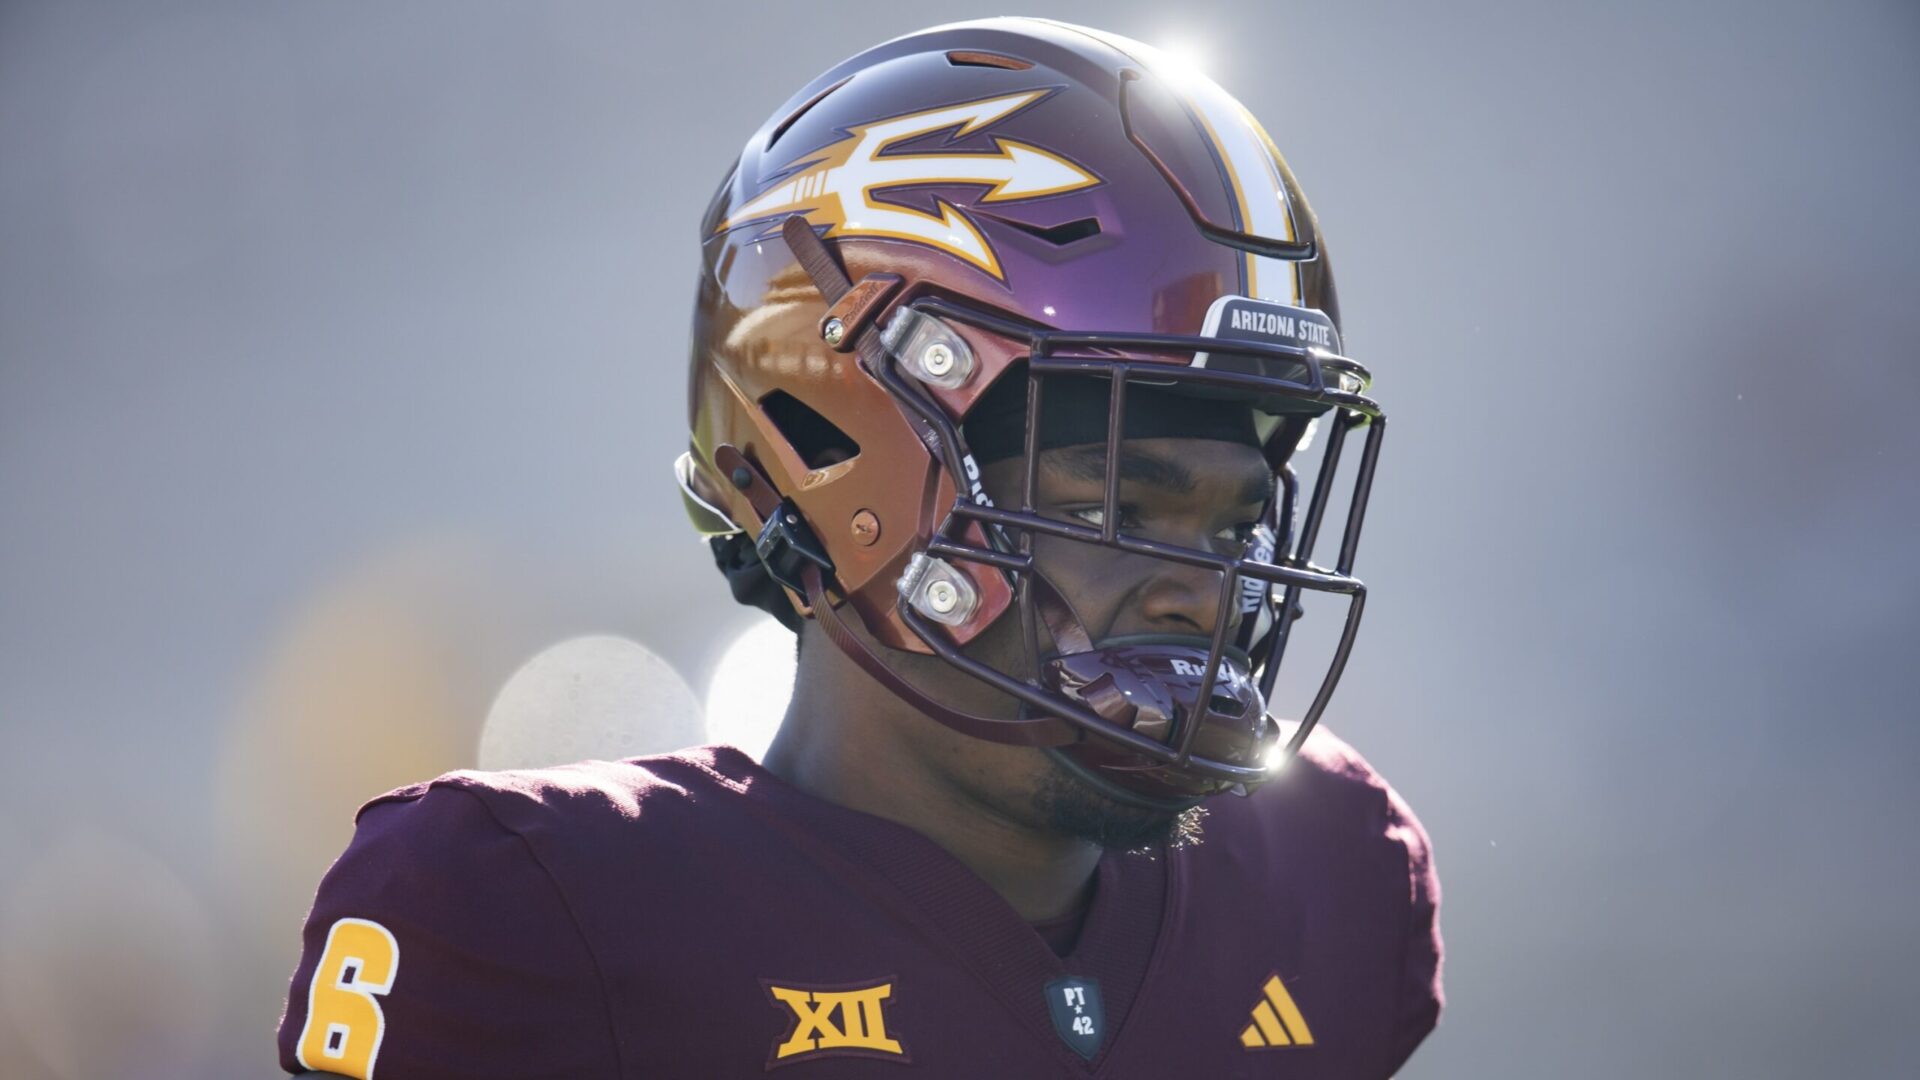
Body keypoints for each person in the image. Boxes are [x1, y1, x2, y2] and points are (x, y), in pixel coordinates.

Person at [272, 18, 1441, 1078]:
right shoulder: (533, 915)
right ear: (838, 459)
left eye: (1237, 524)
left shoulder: (1330, 878)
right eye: (1116, 507)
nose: (1206, 591)